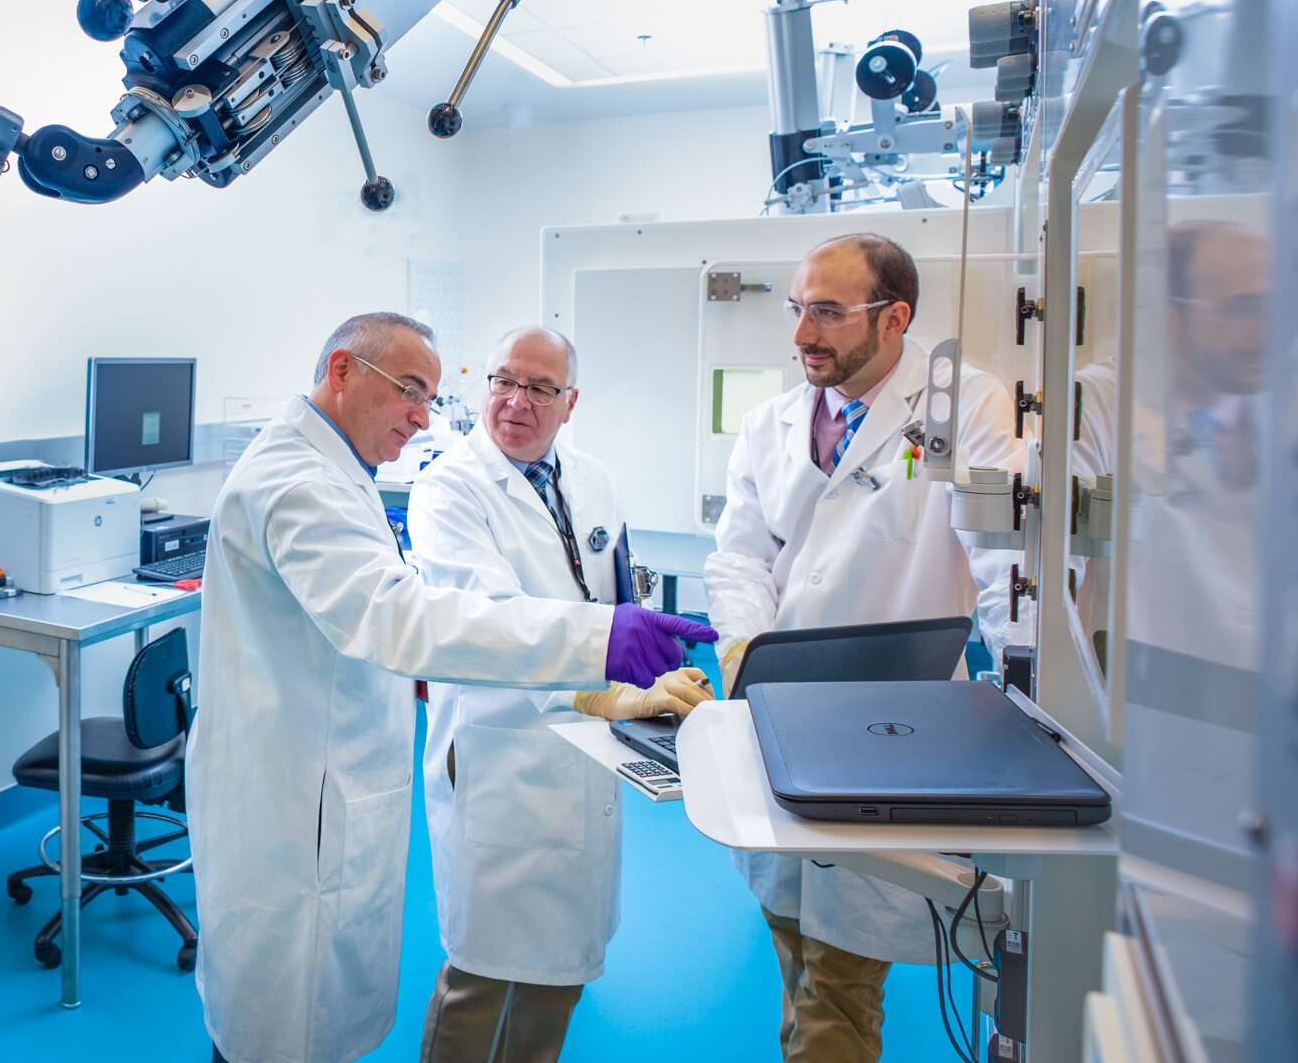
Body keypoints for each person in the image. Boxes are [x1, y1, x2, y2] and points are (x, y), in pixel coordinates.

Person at [187, 312, 716, 1063]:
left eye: (432, 396)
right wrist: (598, 643)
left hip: (336, 781)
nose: (423, 416)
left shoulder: (337, 474)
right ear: (342, 372)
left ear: (571, 401)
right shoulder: (300, 484)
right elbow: (400, 619)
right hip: (299, 798)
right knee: (278, 1029)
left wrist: (619, 652)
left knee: (308, 1021)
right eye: (410, 390)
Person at [702, 234, 1023, 1063]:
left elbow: (1006, 562)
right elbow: (741, 553)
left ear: (895, 319)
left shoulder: (964, 407)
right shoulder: (771, 422)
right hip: (773, 715)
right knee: (797, 949)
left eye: (829, 313)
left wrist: (1030, 690)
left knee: (839, 981)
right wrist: (743, 651)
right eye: (798, 308)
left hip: (891, 734)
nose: (804, 333)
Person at [411, 326, 711, 1063]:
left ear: (569, 402)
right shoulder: (447, 488)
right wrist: (603, 662)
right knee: (478, 980)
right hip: (498, 755)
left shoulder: (595, 480)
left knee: (561, 972)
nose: (516, 401)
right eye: (502, 381)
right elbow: (487, 618)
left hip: (586, 759)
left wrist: (645, 682)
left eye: (540, 388)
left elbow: (611, 590)